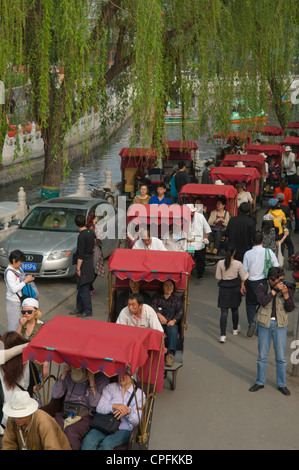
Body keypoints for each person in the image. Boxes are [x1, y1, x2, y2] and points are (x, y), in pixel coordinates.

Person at [249, 267, 295, 396]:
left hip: (280, 325)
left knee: (281, 357)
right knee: (262, 356)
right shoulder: (262, 286)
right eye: (279, 281)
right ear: (271, 280)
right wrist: (274, 291)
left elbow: (290, 308)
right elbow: (262, 301)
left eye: (282, 279)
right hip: (265, 324)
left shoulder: (286, 287)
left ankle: (282, 384)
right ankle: (260, 382)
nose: (282, 282)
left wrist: (286, 295)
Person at [81, 366, 145, 450]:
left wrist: (128, 412)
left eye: (125, 374)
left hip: (125, 428)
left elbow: (137, 421)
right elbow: (99, 408)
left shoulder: (139, 394)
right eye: (119, 373)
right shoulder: (110, 388)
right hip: (106, 424)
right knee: (88, 440)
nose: (121, 377)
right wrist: (114, 406)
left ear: (132, 376)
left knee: (107, 443)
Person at [51, 365, 109, 450]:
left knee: (71, 431)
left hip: (85, 416)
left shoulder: (101, 378)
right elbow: (55, 394)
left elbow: (94, 403)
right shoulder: (72, 374)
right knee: (53, 427)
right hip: (66, 411)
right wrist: (64, 374)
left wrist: (92, 382)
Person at [2, 391, 71, 450]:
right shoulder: (12, 420)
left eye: (20, 416)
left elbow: (52, 447)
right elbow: (8, 445)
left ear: (29, 413)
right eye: (14, 415)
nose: (16, 419)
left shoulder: (43, 421)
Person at [242, 231, 279, 337]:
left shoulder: (248, 253)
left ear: (252, 240)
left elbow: (244, 271)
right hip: (263, 282)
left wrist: (242, 284)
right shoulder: (268, 252)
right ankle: (260, 326)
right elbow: (276, 265)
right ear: (263, 240)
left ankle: (251, 323)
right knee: (262, 303)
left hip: (251, 283)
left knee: (250, 304)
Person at [0, 332, 38, 430]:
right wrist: (25, 346)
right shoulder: (28, 364)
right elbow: (34, 387)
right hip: (26, 415)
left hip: (6, 418)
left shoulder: (1, 368)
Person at [215, 245, 248, 343]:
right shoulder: (238, 264)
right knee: (235, 310)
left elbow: (217, 277)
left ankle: (223, 335)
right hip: (234, 289)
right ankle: (235, 329)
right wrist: (248, 273)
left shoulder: (220, 263)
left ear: (225, 252)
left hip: (224, 289)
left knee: (224, 312)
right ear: (234, 252)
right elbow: (243, 277)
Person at [151, 280, 184, 367]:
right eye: (166, 285)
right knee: (155, 330)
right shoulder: (157, 296)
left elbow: (180, 311)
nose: (169, 288)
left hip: (171, 322)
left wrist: (174, 320)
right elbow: (153, 307)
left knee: (173, 330)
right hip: (158, 321)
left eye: (171, 286)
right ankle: (156, 352)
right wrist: (159, 315)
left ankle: (170, 354)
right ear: (162, 286)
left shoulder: (176, 298)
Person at [70, 215, 96, 317]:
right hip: (90, 261)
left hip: (84, 263)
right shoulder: (90, 232)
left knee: (84, 287)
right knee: (80, 287)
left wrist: (78, 268)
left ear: (76, 224)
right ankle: (79, 308)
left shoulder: (81, 235)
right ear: (85, 222)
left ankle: (87, 310)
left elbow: (80, 253)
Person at [15, 298, 48, 379]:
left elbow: (45, 347)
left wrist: (45, 365)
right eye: (23, 311)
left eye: (29, 311)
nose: (26, 314)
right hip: (22, 364)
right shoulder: (21, 324)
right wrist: (20, 326)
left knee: (36, 388)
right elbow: (15, 341)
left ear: (36, 311)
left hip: (36, 365)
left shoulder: (41, 326)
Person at [4, 250, 36, 331]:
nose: (22, 263)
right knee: (14, 326)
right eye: (20, 261)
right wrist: (26, 281)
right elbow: (14, 289)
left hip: (21, 301)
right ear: (14, 260)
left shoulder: (19, 268)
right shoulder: (9, 273)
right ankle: (12, 342)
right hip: (13, 302)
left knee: (22, 323)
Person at [188, 204, 211, 280]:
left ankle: (200, 274)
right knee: (187, 258)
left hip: (199, 242)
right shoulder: (184, 217)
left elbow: (207, 229)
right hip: (188, 243)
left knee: (200, 259)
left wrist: (205, 238)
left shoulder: (200, 217)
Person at [86, 210, 105, 295]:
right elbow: (100, 237)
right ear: (95, 218)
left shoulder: (86, 227)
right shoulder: (96, 228)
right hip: (95, 250)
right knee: (96, 269)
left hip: (88, 250)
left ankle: (89, 286)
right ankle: (89, 286)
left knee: (91, 269)